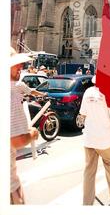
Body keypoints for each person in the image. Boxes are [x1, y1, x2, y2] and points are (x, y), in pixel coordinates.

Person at [10, 47, 45, 204]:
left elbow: (30, 91)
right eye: (16, 64)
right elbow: (17, 141)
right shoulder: (13, 89)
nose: (21, 67)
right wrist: (33, 134)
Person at [79, 85, 110, 205]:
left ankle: (87, 204)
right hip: (105, 141)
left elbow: (83, 113)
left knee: (89, 172)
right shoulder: (108, 91)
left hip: (89, 139)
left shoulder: (88, 91)